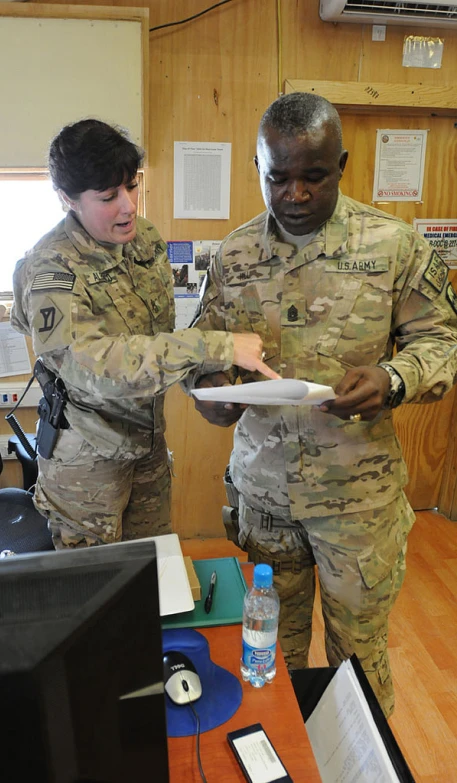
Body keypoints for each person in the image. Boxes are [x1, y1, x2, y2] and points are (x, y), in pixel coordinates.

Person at [186, 92, 457, 717]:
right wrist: (213, 393)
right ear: (258, 168)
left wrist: (393, 378)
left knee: (356, 663)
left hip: (358, 503)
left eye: (313, 176)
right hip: (264, 499)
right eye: (277, 177)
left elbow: (443, 341)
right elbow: (204, 349)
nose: (295, 194)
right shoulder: (233, 255)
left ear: (342, 164)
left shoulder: (394, 246)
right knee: (269, 658)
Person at [11, 119, 278, 550]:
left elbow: (158, 336)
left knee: (154, 574)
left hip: (148, 442)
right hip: (87, 456)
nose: (128, 206)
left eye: (132, 187)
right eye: (108, 197)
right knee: (95, 591)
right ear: (67, 199)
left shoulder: (144, 240)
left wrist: (204, 379)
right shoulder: (51, 269)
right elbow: (93, 367)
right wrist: (216, 346)